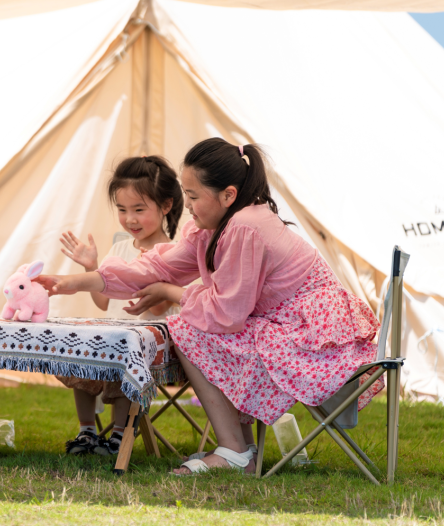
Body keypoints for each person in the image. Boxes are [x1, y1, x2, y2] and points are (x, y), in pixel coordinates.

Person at [39, 138, 383, 475]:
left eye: (193, 196)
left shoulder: (246, 226)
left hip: (314, 336)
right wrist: (76, 282)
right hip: (292, 326)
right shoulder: (217, 226)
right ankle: (241, 449)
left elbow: (226, 313)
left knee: (188, 329)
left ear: (228, 195)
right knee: (199, 328)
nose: (188, 205)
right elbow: (156, 267)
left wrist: (168, 291)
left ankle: (233, 449)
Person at [55, 155, 183, 457]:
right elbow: (103, 303)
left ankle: (118, 437)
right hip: (115, 334)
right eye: (122, 210)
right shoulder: (120, 248)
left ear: (166, 206)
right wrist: (92, 267)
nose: (130, 219)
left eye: (139, 209)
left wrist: (146, 271)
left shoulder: (174, 252)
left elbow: (158, 308)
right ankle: (87, 431)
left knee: (124, 352)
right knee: (83, 350)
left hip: (152, 344)